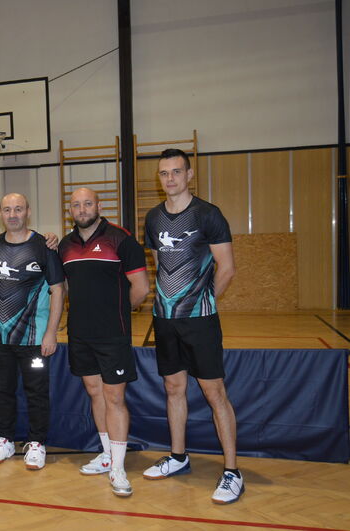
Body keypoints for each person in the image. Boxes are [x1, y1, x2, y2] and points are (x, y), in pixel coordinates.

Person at [143, 148, 241, 504]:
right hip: (165, 320)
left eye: (176, 171)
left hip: (201, 320)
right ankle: (178, 457)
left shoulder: (208, 214)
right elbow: (161, 266)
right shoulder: (153, 218)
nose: (170, 178)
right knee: (173, 388)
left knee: (215, 393)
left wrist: (203, 302)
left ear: (189, 174)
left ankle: (232, 471)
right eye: (164, 173)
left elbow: (226, 267)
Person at [58, 187, 149, 497]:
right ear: (70, 210)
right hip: (80, 334)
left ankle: (119, 468)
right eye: (76, 205)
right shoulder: (65, 246)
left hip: (113, 335)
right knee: (94, 392)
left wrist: (116, 315)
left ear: (98, 206)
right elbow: (65, 288)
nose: (82, 209)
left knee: (114, 397)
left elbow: (141, 289)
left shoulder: (120, 239)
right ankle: (107, 455)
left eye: (88, 203)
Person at [0, 193, 65, 470]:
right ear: (1, 213)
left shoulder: (44, 246)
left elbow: (58, 290)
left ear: (28, 212)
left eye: (18, 209)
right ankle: (5, 440)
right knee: (2, 391)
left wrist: (51, 332)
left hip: (33, 338)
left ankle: (36, 443)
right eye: (7, 209)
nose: (13, 214)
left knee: (36, 392)